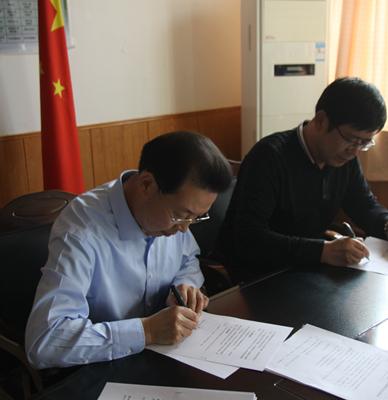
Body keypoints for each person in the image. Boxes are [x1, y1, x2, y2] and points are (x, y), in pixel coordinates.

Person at [25, 131, 233, 369]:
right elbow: (45, 341)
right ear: (146, 184)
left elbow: (188, 259)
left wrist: (184, 285)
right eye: (181, 215)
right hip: (101, 367)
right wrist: (147, 331)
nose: (185, 229)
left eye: (195, 218)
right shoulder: (81, 232)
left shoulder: (171, 216)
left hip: (163, 358)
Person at [215, 77, 388, 283]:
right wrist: (322, 251)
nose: (355, 151)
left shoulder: (344, 159)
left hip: (306, 268)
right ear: (321, 120)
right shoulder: (269, 157)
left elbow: (363, 204)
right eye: (350, 139)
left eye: (365, 143)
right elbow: (250, 239)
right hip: (257, 275)